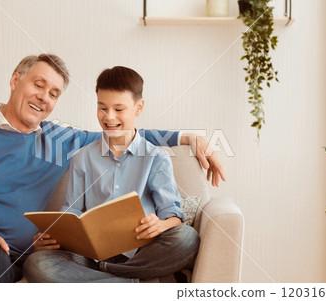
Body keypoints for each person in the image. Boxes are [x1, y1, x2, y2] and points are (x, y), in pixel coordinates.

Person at [0, 54, 225, 283]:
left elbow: (122, 133)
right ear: (16, 80)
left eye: (54, 93)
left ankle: (113, 282)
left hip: (10, 257)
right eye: (39, 85)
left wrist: (188, 137)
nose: (44, 97)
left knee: (21, 263)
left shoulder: (57, 140)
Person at [23, 66, 201, 283]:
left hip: (143, 251)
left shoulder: (155, 157)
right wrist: (54, 235)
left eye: (119, 109)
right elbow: (72, 211)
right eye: (102, 108)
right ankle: (131, 283)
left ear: (138, 107)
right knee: (36, 263)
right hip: (91, 257)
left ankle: (108, 277)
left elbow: (172, 213)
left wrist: (161, 225)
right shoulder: (82, 158)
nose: (109, 117)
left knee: (187, 238)